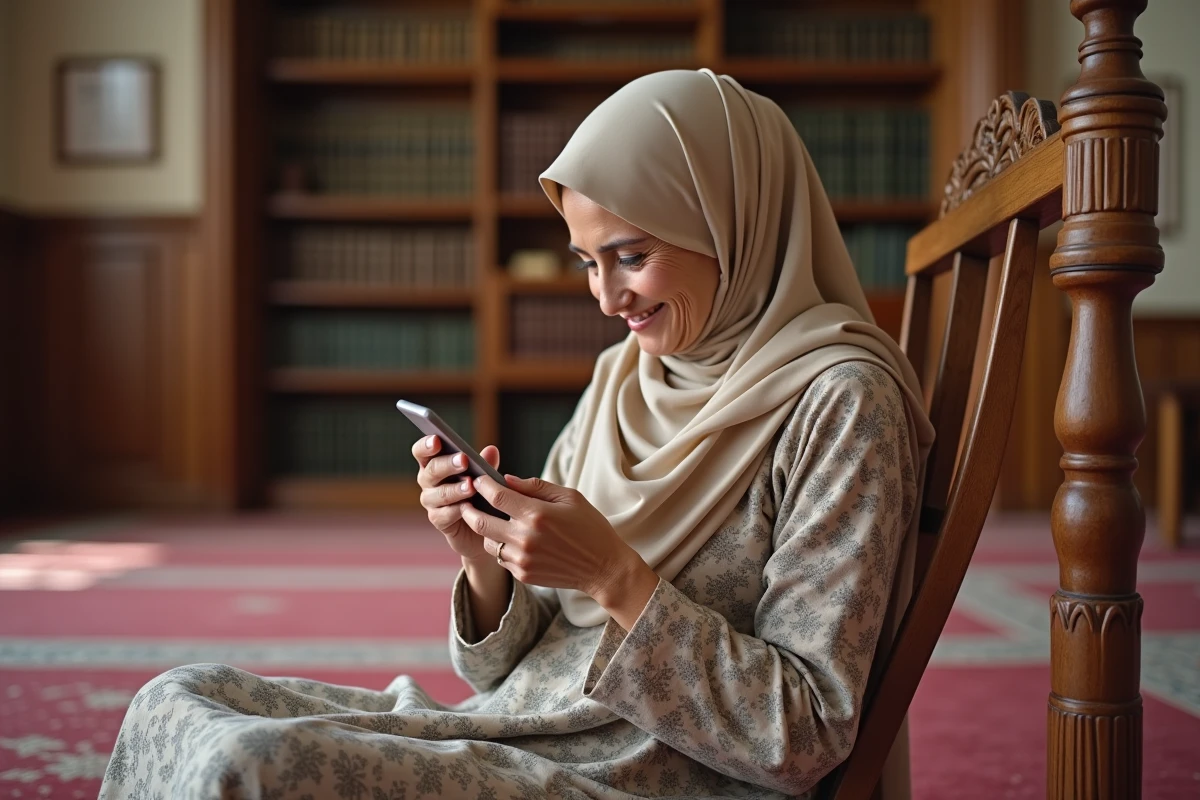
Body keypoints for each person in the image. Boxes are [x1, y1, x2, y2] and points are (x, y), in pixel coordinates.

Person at [100, 69, 934, 800]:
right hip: (519, 723)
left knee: (246, 764)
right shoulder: (630, 377)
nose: (606, 299)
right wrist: (481, 553)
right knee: (175, 697)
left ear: (733, 224)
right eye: (585, 261)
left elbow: (804, 734)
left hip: (636, 772)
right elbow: (500, 669)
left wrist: (613, 575)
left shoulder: (842, 403)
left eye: (631, 256)